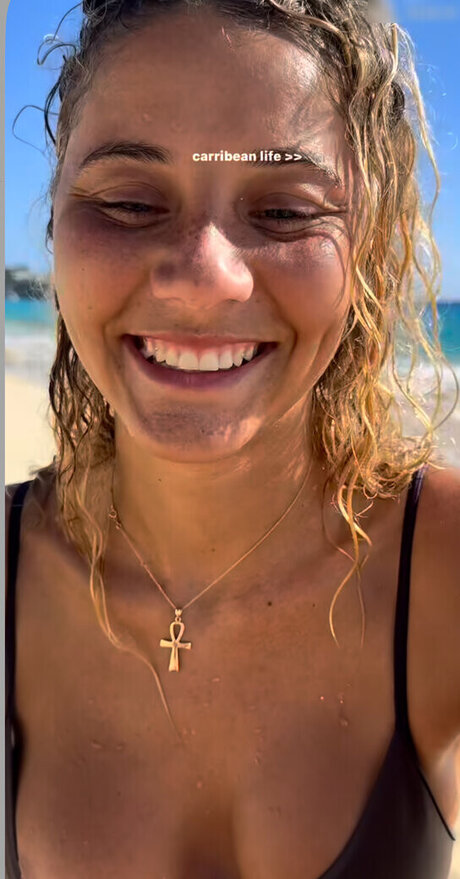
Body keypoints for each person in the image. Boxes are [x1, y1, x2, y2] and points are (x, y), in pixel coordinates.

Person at [5, 1, 460, 877]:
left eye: (284, 211)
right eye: (131, 202)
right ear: (55, 221)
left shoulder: (437, 564)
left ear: (370, 247)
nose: (205, 277)